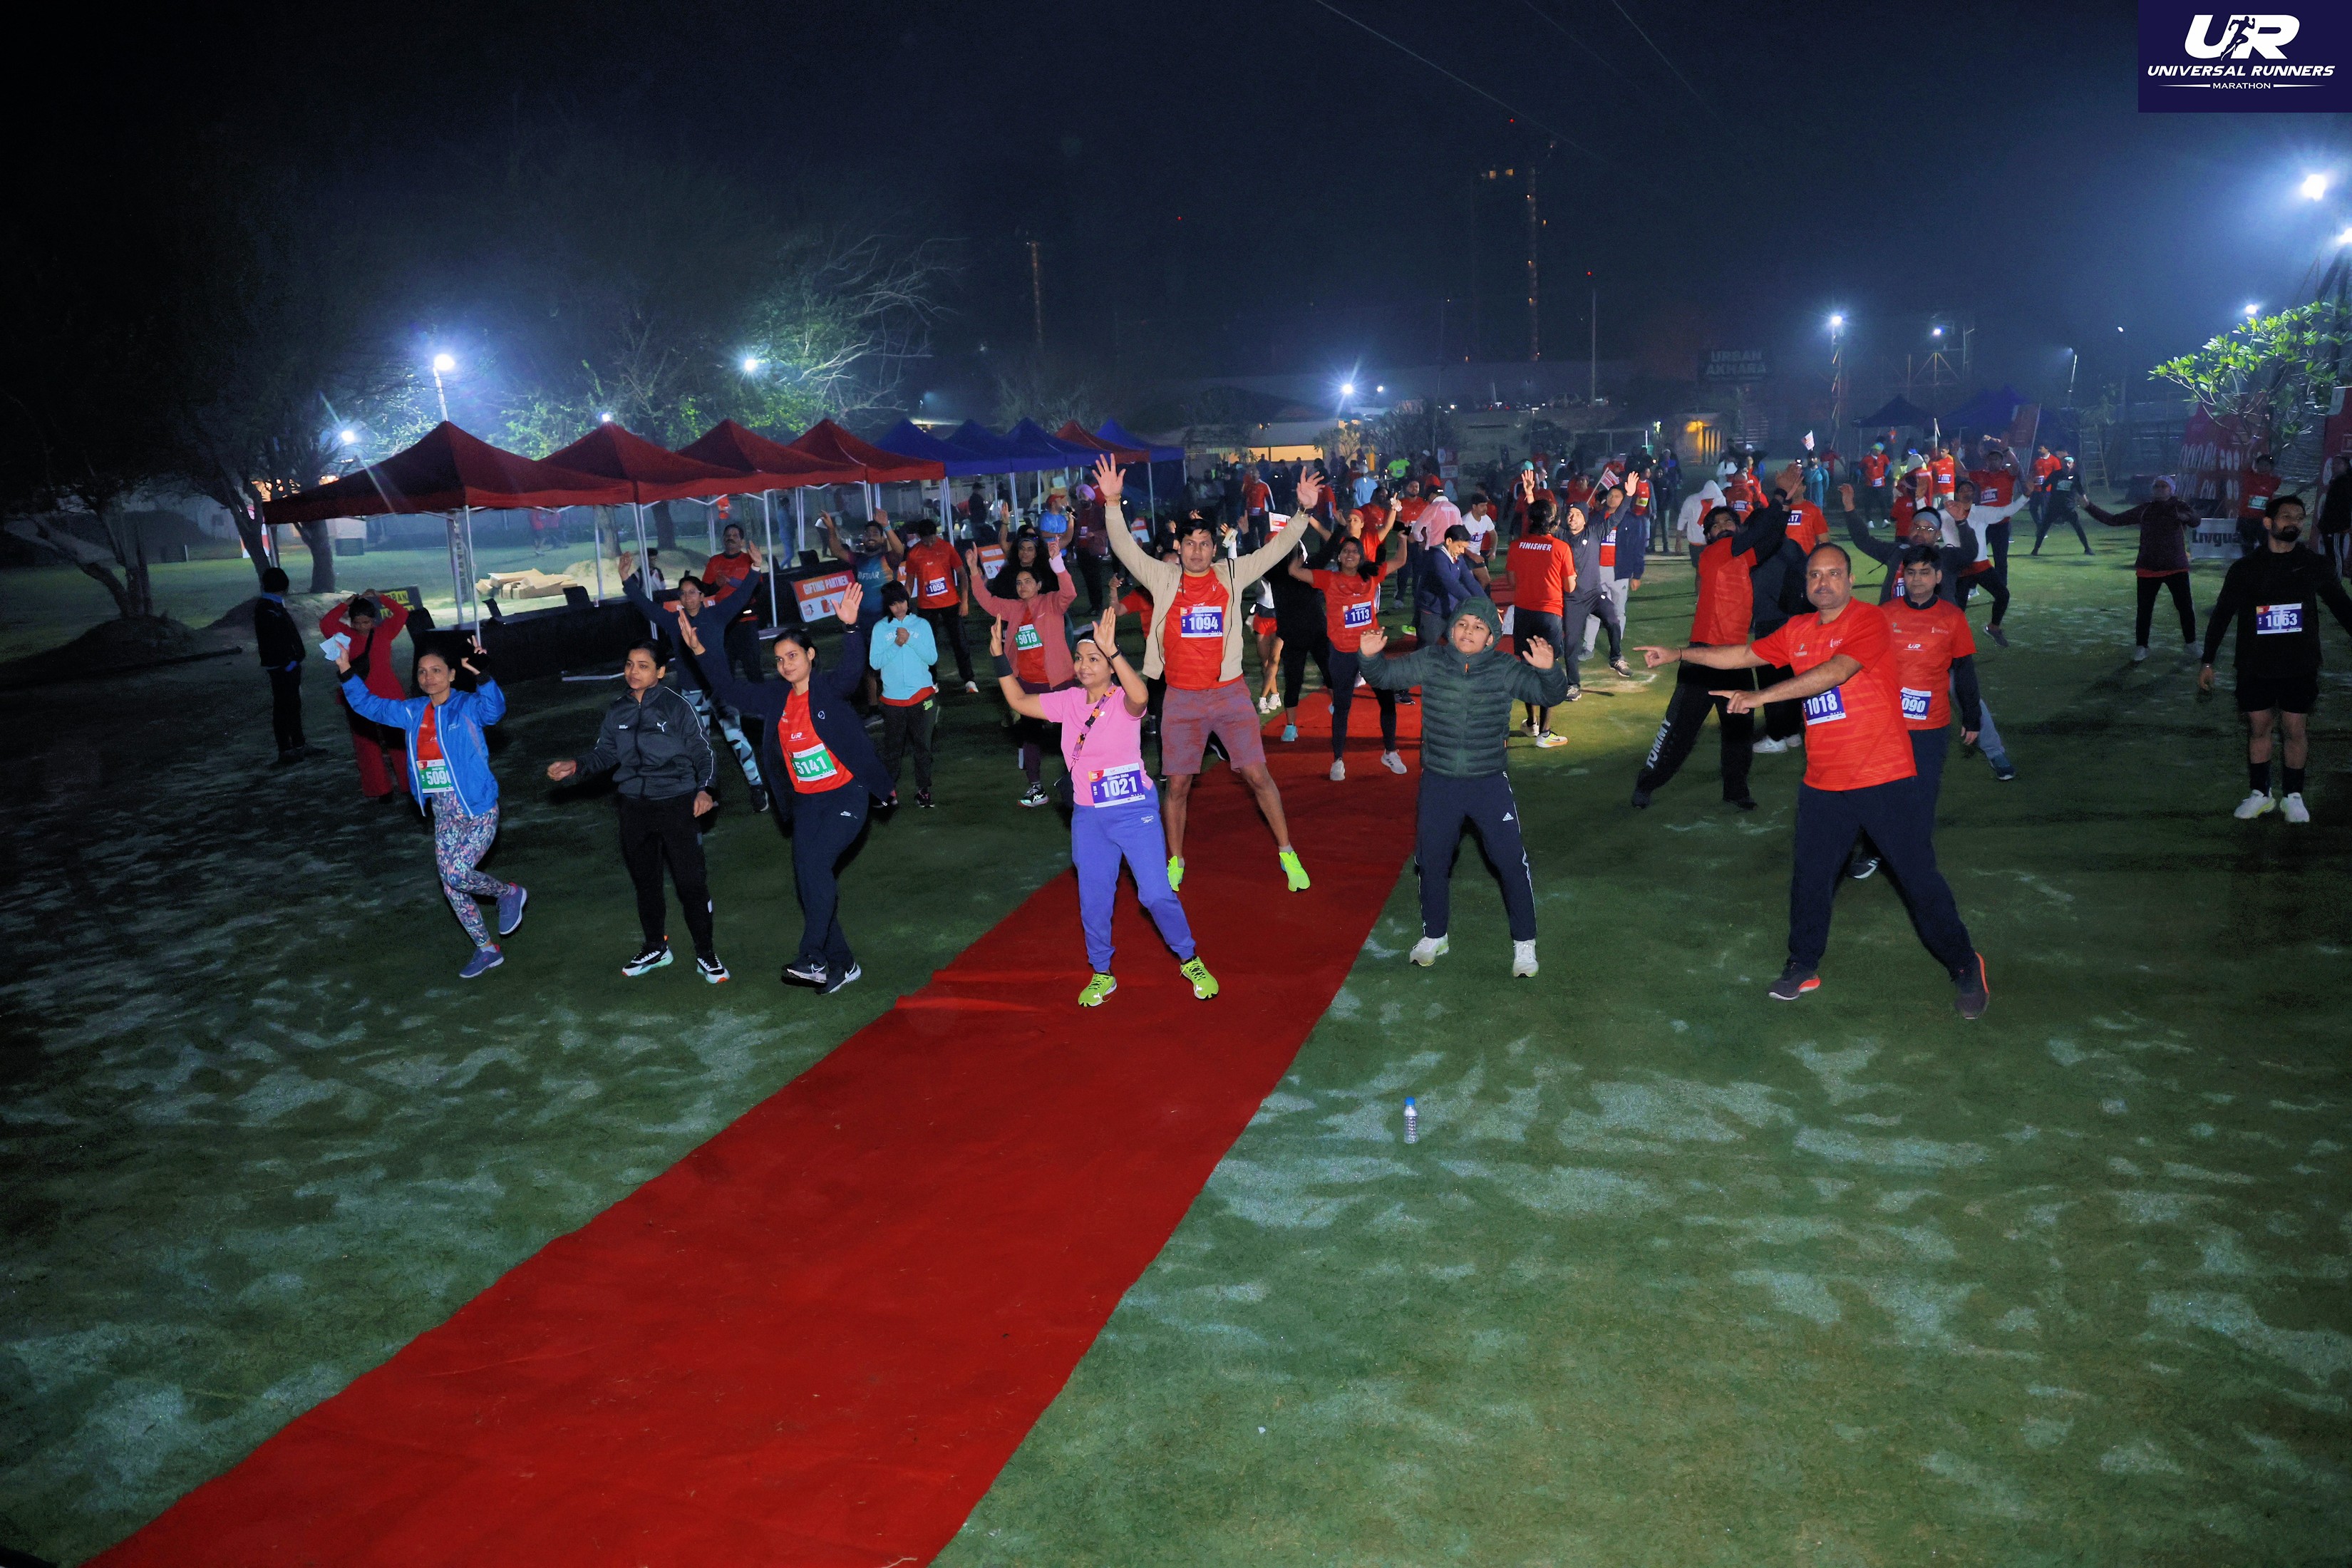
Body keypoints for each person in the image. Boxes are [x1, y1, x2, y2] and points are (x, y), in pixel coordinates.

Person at [1648, 544, 1987, 1016]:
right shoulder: (1798, 629)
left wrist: (1760, 697)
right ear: (1806, 584)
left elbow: (1835, 673)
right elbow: (1745, 653)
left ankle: (1964, 964)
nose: (1822, 583)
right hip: (1825, 782)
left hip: (1883, 776)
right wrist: (1680, 653)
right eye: (1814, 575)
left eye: (1833, 574)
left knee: (1917, 878)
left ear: (1850, 580)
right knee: (1811, 878)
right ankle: (1803, 964)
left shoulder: (1870, 620)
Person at [1099, 453, 1314, 893]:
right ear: (1179, 548)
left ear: (1214, 548)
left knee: (1258, 776)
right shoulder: (1162, 577)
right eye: (1189, 544)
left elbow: (1275, 550)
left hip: (1230, 695)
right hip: (1181, 698)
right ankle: (1175, 861)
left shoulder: (1231, 574)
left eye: (1204, 544)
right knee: (1177, 785)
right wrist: (1113, 503)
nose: (1196, 551)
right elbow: (1124, 547)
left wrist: (1304, 512)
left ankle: (1288, 853)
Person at [994, 607, 1219, 1006]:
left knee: (1156, 894)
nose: (1083, 666)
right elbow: (1017, 698)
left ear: (1111, 666)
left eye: (1093, 659)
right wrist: (999, 657)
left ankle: (1189, 959)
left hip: (1135, 813)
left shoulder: (1122, 701)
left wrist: (1112, 650)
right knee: (1094, 900)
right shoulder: (1068, 701)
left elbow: (1142, 696)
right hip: (1089, 818)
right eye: (1080, 658)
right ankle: (1102, 972)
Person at [679, 584, 889, 994]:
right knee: (810, 882)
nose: (785, 665)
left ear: (810, 656)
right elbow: (730, 690)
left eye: (793, 656)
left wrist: (850, 629)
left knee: (816, 868)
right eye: (779, 659)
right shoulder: (776, 698)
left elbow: (852, 671)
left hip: (845, 797)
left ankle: (812, 957)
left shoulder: (829, 689)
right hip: (807, 803)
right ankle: (844, 964)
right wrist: (700, 651)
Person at [1358, 598, 1567, 976]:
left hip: (1488, 783)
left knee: (1510, 863)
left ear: (1491, 638)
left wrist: (1550, 670)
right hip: (1439, 782)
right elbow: (1385, 677)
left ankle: (1525, 943)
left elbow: (1549, 695)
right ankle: (1435, 935)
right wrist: (1370, 657)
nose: (1468, 631)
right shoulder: (1432, 659)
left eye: (1478, 626)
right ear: (1451, 629)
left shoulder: (1504, 667)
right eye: (1462, 624)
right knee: (1431, 862)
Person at [337, 633, 525, 980]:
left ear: (452, 674)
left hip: (478, 809)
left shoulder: (467, 706)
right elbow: (370, 706)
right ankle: (487, 949)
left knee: (457, 874)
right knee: (452, 886)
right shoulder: (412, 712)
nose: (428, 678)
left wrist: (483, 676)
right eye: (422, 672)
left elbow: (494, 710)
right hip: (443, 813)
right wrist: (347, 670)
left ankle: (509, 893)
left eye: (437, 670)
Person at [545, 641, 728, 981]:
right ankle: (656, 947)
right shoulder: (618, 710)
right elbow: (604, 753)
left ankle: (706, 953)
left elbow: (704, 752)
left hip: (676, 803)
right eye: (630, 664)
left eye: (643, 666)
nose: (633, 671)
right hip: (633, 807)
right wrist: (577, 765)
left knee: (691, 883)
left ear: (660, 672)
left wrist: (705, 789)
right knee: (646, 883)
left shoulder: (678, 707)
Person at [2199, 493, 2352, 822]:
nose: (2294, 523)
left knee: (2295, 728)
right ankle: (2261, 794)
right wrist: (2207, 661)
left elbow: (2343, 608)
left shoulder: (2314, 565)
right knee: (2259, 728)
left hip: (2300, 663)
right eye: (2286, 517)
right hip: (2255, 664)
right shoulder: (2246, 569)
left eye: (2299, 517)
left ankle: (2294, 796)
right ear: (2268, 522)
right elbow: (2222, 615)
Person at [1630, 501, 1791, 810]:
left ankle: (1736, 791)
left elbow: (1771, 540)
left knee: (1739, 732)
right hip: (1702, 659)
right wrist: (1779, 496)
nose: (1722, 527)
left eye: (1728, 522)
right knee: (1679, 733)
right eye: (1715, 525)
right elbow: (1758, 534)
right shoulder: (1714, 553)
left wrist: (1783, 507)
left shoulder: (1742, 557)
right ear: (1708, 537)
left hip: (1736, 658)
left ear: (1738, 528)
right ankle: (1647, 782)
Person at [619, 552, 766, 813]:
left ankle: (757, 787)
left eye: (692, 592)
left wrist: (755, 568)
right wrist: (625, 578)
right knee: (699, 747)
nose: (688, 597)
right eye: (683, 594)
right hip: (692, 695)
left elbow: (743, 594)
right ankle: (706, 792)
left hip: (722, 691)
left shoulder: (718, 615)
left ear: (701, 595)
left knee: (736, 738)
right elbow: (645, 605)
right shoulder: (674, 622)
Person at [966, 542, 1079, 808]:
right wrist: (973, 571)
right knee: (1030, 735)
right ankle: (1036, 787)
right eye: (1019, 583)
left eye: (1028, 581)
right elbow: (987, 601)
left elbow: (1070, 592)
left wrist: (1057, 563)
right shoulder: (1014, 609)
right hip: (1028, 685)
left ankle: (1079, 780)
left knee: (1074, 734)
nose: (1023, 586)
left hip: (1058, 682)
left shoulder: (1052, 602)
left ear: (1039, 585)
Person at [1291, 527, 1404, 778]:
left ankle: (1390, 751)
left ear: (1362, 556)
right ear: (1339, 556)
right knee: (1342, 707)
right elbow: (1295, 572)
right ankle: (1338, 760)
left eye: (1355, 551)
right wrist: (1296, 553)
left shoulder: (1371, 576)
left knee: (1387, 701)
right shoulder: (1328, 579)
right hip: (1343, 654)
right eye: (1346, 551)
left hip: (1371, 653)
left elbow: (1400, 561)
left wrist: (1403, 538)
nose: (1350, 554)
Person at [2086, 478, 2200, 661]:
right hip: (2148, 567)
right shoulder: (2145, 509)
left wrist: (2185, 517)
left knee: (2185, 608)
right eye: (2156, 486)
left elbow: (2196, 520)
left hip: (2176, 567)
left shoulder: (2179, 506)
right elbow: (2114, 520)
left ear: (2171, 490)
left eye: (2164, 486)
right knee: (2145, 611)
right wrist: (2088, 506)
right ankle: (2141, 646)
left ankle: (2191, 643)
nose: (2159, 489)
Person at [318, 589, 411, 802]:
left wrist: (380, 597)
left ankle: (407, 784)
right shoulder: (347, 635)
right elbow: (326, 624)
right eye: (357, 623)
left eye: (366, 622)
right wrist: (346, 603)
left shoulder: (383, 631)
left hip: (379, 694)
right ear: (351, 622)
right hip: (366, 695)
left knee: (398, 742)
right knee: (367, 745)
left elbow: (402, 614)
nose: (361, 627)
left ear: (374, 620)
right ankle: (381, 789)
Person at [1505, 496, 1578, 743]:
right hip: (1549, 615)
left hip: (1524, 613)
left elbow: (1511, 582)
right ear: (1554, 522)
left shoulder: (1516, 546)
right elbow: (1570, 587)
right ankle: (1545, 732)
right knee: (1548, 669)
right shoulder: (1561, 548)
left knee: (1527, 668)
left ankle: (1532, 723)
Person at [869, 582, 940, 808]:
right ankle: (888, 792)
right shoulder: (880, 628)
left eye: (901, 601)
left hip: (923, 697)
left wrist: (911, 639)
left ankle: (924, 791)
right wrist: (897, 645)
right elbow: (875, 663)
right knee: (892, 749)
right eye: (893, 604)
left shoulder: (922, 625)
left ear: (907, 601)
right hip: (893, 700)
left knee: (923, 747)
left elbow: (932, 658)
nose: (899, 607)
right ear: (887, 606)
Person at [1944, 478, 2033, 646]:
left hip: (1980, 565)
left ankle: (1993, 627)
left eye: (1969, 489)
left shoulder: (1981, 512)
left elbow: (2006, 511)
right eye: (1962, 489)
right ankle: (1951, 641)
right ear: (1957, 494)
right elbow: (1928, 520)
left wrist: (2025, 496)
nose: (1966, 492)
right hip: (1960, 569)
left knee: (2003, 595)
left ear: (1974, 493)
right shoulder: (1946, 514)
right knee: (1957, 609)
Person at [900, 518, 975, 692]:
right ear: (919, 537)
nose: (929, 543)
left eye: (932, 539)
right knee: (927, 646)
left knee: (960, 642)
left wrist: (964, 601)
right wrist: (903, 605)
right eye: (926, 540)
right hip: (926, 608)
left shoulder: (947, 548)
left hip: (951, 604)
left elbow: (962, 574)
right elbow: (909, 583)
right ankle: (932, 681)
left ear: (936, 534)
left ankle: (969, 680)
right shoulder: (914, 553)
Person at [254, 566, 311, 765]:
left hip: (283, 664)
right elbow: (277, 639)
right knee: (285, 706)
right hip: (283, 665)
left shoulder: (270, 606)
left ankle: (296, 745)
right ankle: (288, 749)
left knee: (291, 705)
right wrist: (291, 661)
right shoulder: (270, 608)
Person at [698, 523, 768, 683]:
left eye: (735, 535)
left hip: (746, 620)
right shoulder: (715, 561)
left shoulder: (749, 560)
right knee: (726, 667)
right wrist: (717, 585)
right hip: (724, 623)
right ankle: (729, 697)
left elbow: (759, 588)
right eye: (728, 535)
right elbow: (705, 590)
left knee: (753, 666)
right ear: (723, 539)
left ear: (742, 541)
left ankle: (760, 696)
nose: (731, 538)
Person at [1417, 522, 1491, 647]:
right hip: (1432, 612)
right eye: (1460, 547)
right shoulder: (1436, 557)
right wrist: (1473, 603)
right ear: (1449, 541)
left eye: (1464, 548)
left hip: (1450, 611)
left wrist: (1487, 604)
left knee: (1456, 647)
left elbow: (1470, 581)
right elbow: (1451, 583)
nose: (1462, 551)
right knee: (1426, 650)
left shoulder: (1457, 558)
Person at [2031, 455, 2092, 556]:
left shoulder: (2075, 476)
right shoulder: (2055, 474)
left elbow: (2080, 489)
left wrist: (2085, 499)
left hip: (2069, 507)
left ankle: (2087, 548)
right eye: (2065, 463)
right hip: (2054, 507)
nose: (2067, 465)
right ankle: (2035, 550)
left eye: (2069, 463)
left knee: (2078, 527)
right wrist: (2045, 497)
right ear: (2062, 464)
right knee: (2044, 528)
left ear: (2073, 465)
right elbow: (2044, 486)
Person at [2318, 453, 2352, 578]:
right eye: (2333, 464)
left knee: (2336, 553)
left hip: (2336, 526)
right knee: (2330, 553)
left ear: (2346, 466)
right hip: (2329, 525)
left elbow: (2343, 507)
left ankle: (2337, 579)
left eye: (2339, 464)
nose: (2334, 466)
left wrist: (2339, 525)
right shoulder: (2337, 481)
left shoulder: (2346, 482)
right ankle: (2330, 579)